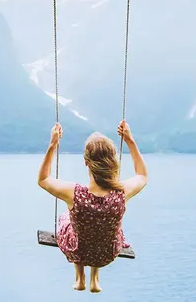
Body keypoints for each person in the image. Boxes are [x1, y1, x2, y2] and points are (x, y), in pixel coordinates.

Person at [37, 120, 148, 293]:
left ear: (86, 162)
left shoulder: (74, 194)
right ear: (112, 162)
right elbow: (142, 175)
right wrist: (130, 140)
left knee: (67, 216)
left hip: (77, 251)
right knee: (103, 228)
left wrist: (53, 144)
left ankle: (80, 277)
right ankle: (95, 279)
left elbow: (43, 180)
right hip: (106, 255)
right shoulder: (121, 193)